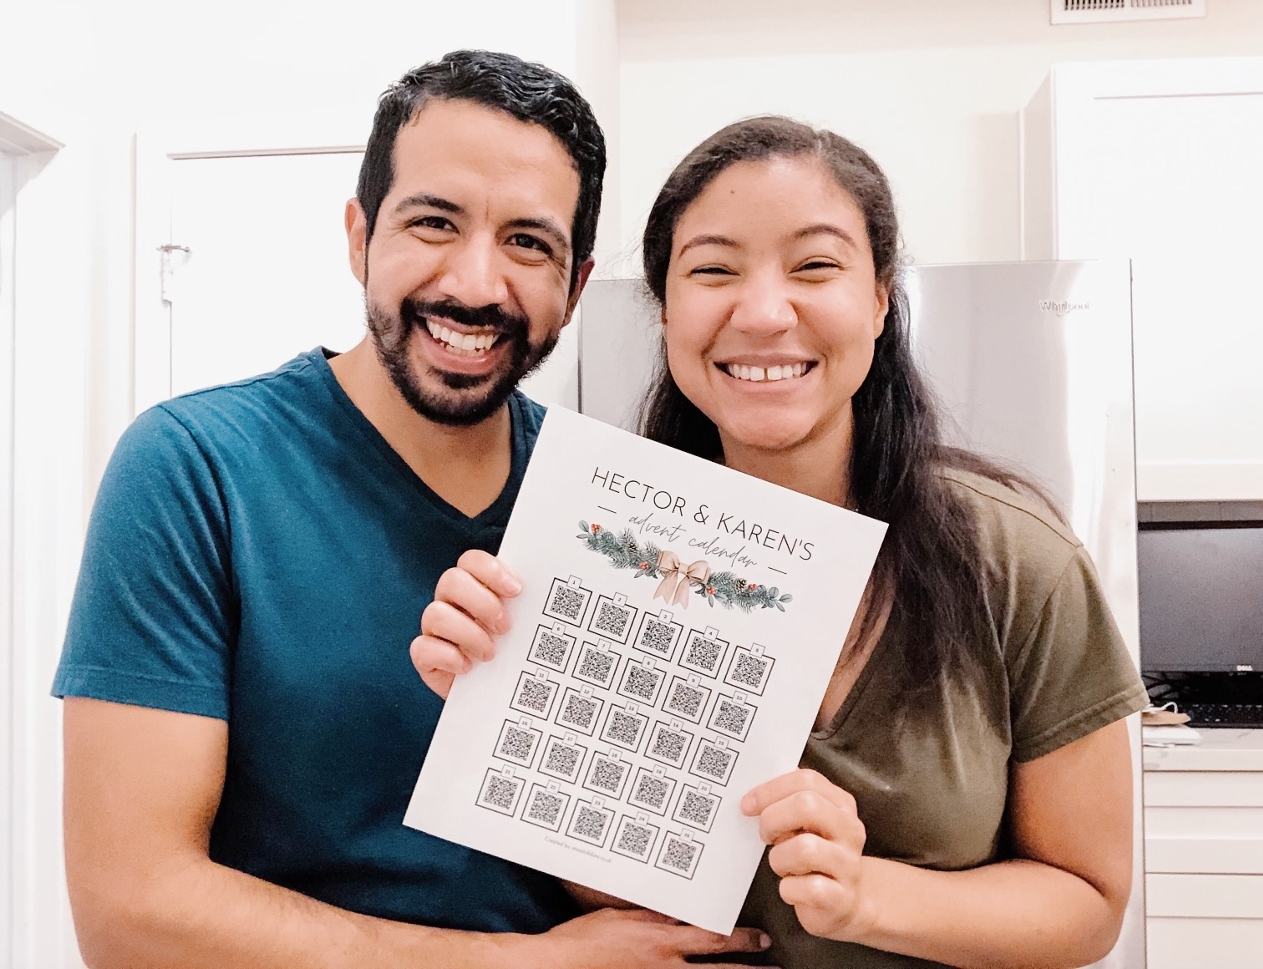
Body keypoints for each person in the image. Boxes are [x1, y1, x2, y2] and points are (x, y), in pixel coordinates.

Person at [53, 51, 768, 968]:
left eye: (527, 242)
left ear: (575, 284)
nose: (475, 284)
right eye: (434, 222)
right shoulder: (195, 470)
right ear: (359, 236)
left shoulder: (616, 509)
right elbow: (132, 913)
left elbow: (642, 880)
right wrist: (530, 964)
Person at [414, 115, 1149, 969]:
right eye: (714, 270)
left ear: (879, 300)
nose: (763, 313)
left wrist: (865, 896)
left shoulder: (1019, 562)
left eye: (816, 266)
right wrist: (503, 708)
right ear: (666, 311)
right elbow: (624, 896)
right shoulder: (600, 555)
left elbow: (1090, 903)